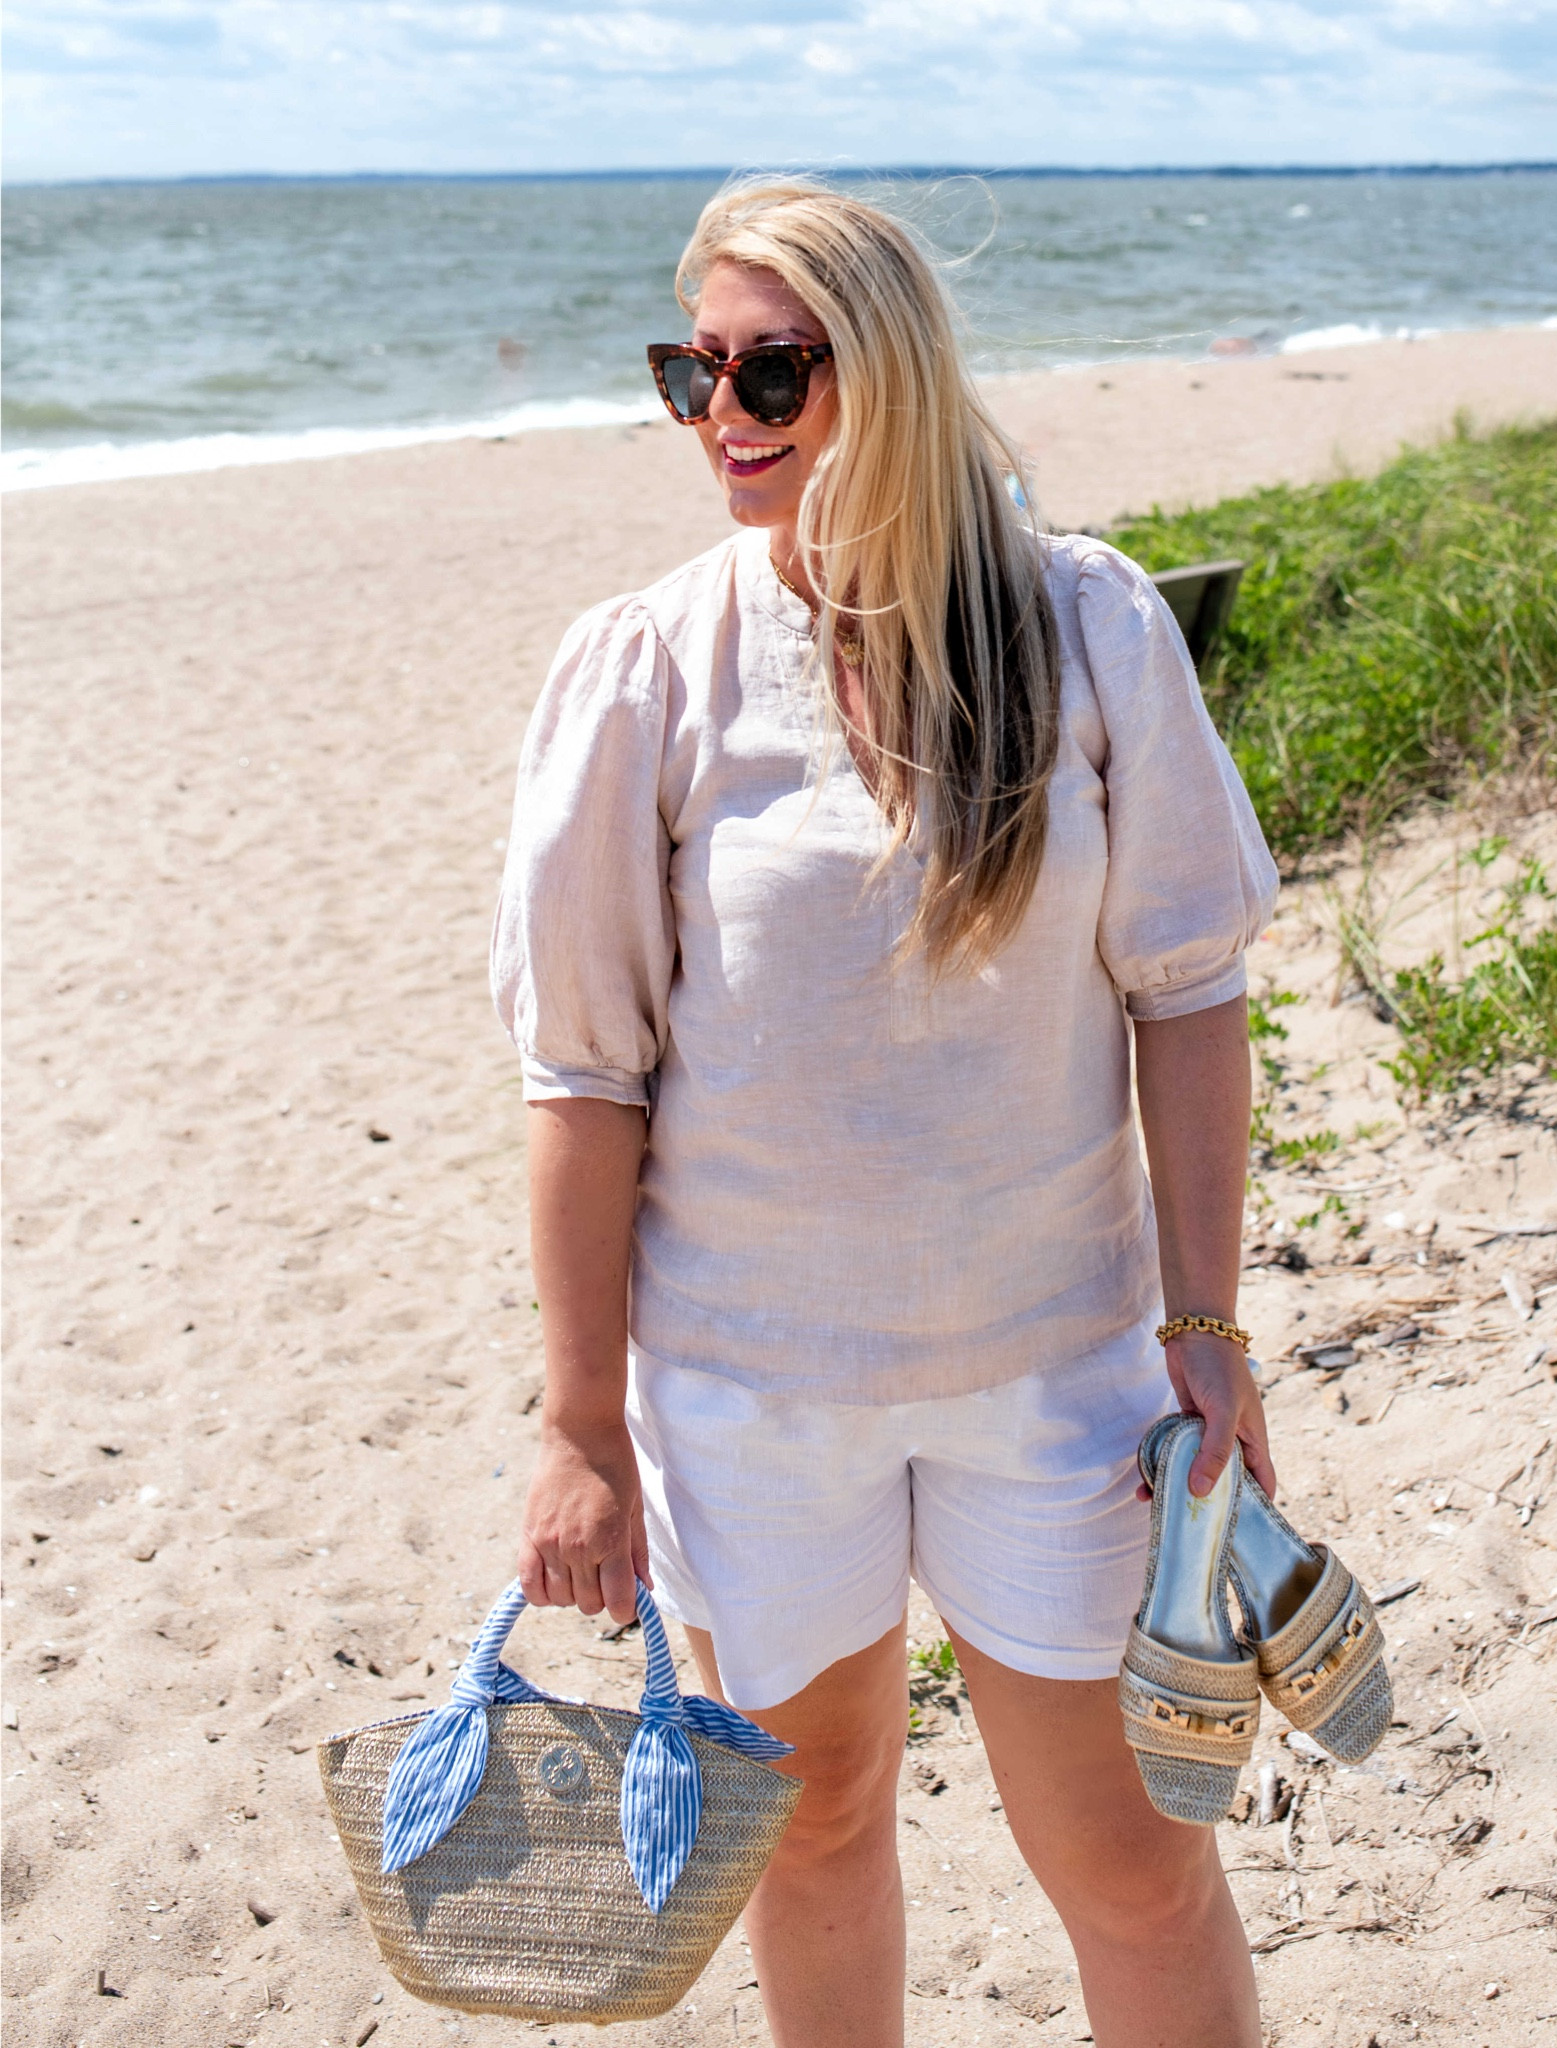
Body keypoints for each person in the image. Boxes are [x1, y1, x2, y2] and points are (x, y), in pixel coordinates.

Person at [492, 177, 1279, 2048]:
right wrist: (579, 1426)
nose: (726, 413)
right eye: (693, 369)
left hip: (1062, 1381)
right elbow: (585, 1075)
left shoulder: (1082, 627)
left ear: (896, 369)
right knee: (817, 1832)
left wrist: (1204, 1325)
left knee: (1133, 1862)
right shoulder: (644, 667)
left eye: (774, 364)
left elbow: (1187, 994)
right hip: (755, 1394)